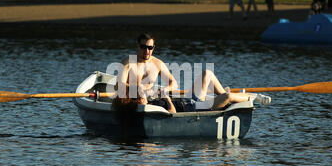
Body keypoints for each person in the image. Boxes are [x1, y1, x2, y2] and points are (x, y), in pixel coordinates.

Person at [112, 33, 271, 115]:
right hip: (147, 101)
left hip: (172, 100)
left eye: (150, 48)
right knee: (222, 97)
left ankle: (227, 98)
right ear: (137, 46)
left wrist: (165, 91)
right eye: (143, 47)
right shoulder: (128, 62)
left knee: (207, 73)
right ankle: (230, 98)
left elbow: (173, 83)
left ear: (154, 48)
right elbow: (119, 85)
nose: (147, 51)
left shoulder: (157, 63)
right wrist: (139, 88)